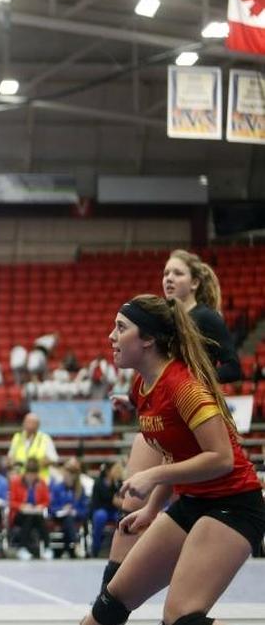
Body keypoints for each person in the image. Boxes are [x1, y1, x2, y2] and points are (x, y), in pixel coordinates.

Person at [80, 295, 264, 625]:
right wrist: (151, 509)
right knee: (111, 601)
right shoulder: (142, 386)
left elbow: (221, 458)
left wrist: (152, 478)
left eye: (121, 328)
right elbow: (174, 454)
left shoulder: (185, 388)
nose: (111, 336)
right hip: (192, 501)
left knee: (181, 618)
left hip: (234, 506)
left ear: (148, 339)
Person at [97, 249, 243, 591]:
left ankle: (130, 588)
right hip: (167, 419)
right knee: (134, 502)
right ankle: (111, 591)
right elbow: (156, 374)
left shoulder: (205, 318)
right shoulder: (164, 321)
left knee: (178, 497)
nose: (168, 279)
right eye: (165, 273)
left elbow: (232, 366)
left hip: (193, 418)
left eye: (176, 273)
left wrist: (192, 389)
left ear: (194, 282)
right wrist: (132, 398)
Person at [8, 458, 50, 559]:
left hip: (36, 513)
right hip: (19, 514)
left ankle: (48, 548)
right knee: (28, 518)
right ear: (25, 473)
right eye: (29, 474)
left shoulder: (42, 483)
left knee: (39, 518)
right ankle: (23, 548)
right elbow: (11, 502)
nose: (31, 477)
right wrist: (22, 506)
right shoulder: (15, 482)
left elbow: (46, 501)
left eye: (34, 475)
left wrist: (40, 506)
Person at [49, 459, 89, 558]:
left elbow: (85, 510)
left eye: (68, 475)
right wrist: (62, 508)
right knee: (67, 519)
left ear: (74, 477)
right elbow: (51, 508)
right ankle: (75, 545)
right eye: (65, 475)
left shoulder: (80, 490)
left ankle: (67, 550)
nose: (66, 477)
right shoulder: (57, 488)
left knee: (69, 519)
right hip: (59, 516)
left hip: (75, 517)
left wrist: (74, 511)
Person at [6, 413, 59, 483]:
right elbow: (10, 457)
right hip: (20, 481)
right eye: (27, 422)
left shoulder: (44, 438)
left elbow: (54, 459)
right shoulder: (17, 437)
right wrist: (13, 463)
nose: (28, 425)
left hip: (40, 480)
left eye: (32, 423)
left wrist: (36, 465)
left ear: (38, 425)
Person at [89, 461, 124, 558]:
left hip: (114, 510)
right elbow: (95, 502)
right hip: (101, 509)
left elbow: (121, 498)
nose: (118, 471)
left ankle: (119, 548)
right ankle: (95, 547)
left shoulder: (118, 483)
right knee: (100, 516)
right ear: (109, 471)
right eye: (116, 469)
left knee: (121, 517)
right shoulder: (98, 483)